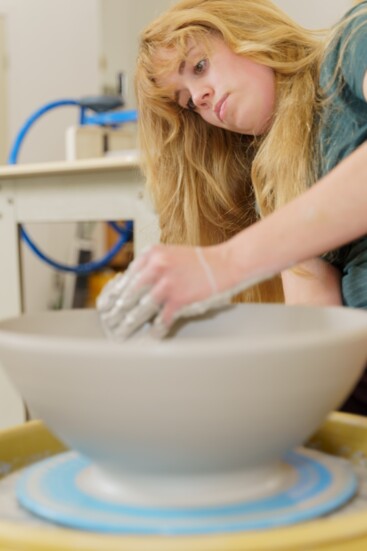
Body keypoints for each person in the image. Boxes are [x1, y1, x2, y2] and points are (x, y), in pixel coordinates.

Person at [97, 0, 367, 411]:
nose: (200, 99)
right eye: (186, 102)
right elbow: (316, 335)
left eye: (199, 66)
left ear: (247, 30)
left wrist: (222, 263)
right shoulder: (279, 183)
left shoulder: (353, 41)